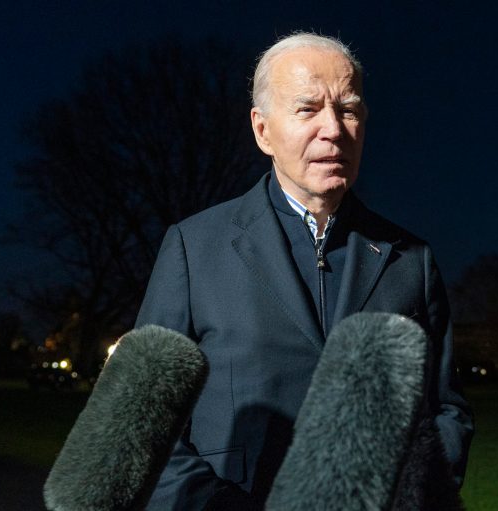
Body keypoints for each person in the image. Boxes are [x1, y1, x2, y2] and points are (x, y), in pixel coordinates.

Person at [135, 32, 473, 510]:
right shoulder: (194, 247)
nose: (333, 129)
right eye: (308, 109)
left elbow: (447, 411)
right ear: (262, 130)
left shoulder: (410, 260)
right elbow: (146, 424)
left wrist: (410, 493)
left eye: (349, 110)